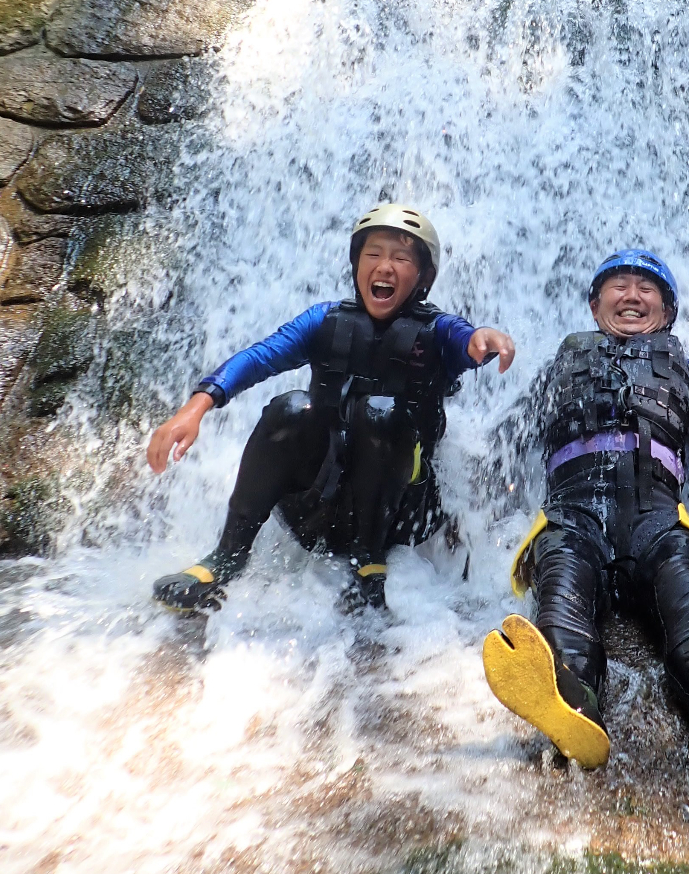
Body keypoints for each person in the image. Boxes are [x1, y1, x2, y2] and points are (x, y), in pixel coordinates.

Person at [483, 250, 689, 770]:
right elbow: (507, 445)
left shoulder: (687, 371)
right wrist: (463, 522)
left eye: (646, 288)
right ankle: (572, 702)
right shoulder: (563, 362)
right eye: (618, 286)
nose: (631, 296)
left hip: (659, 520)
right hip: (573, 519)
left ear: (667, 311)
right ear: (594, 304)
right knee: (560, 600)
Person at [146, 204, 515, 612]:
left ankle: (369, 567)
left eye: (401, 258)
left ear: (424, 277)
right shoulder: (325, 320)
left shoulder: (438, 330)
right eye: (373, 254)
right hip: (321, 509)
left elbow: (467, 340)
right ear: (357, 264)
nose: (385, 267)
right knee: (289, 408)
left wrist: (483, 338)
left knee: (379, 410)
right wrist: (196, 407)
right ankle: (228, 555)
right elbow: (260, 356)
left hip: (403, 516)